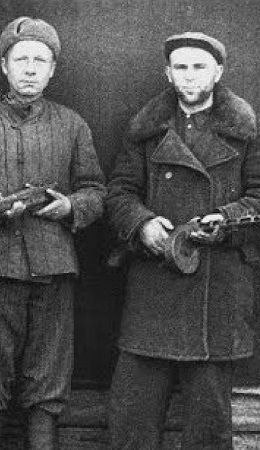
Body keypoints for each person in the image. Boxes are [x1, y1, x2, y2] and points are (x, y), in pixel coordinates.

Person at [0, 16, 106, 449]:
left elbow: (95, 190)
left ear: (53, 69)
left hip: (54, 269)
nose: (30, 69)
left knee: (47, 383)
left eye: (40, 61)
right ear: (4, 65)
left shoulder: (72, 125)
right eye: (21, 60)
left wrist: (70, 206)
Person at [106, 32, 260, 448]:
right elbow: (119, 192)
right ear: (168, 74)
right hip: (153, 288)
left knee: (208, 427)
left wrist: (226, 220)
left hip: (217, 289)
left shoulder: (246, 130)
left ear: (218, 72)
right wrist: (142, 225)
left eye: (199, 67)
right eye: (181, 68)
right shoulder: (145, 130)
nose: (190, 76)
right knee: (132, 421)